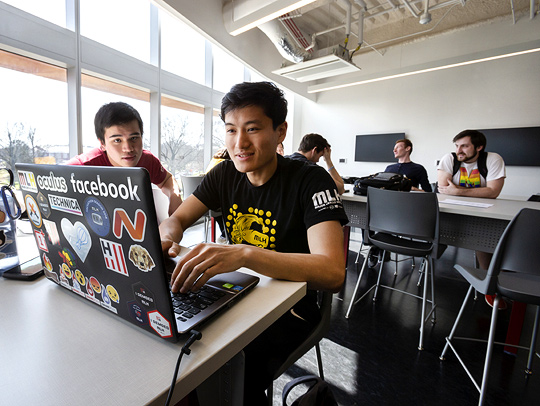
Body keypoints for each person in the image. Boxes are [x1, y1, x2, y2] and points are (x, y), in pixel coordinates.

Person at [159, 81, 348, 405]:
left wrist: (245, 254)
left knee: (227, 369)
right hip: (236, 292)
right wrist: (166, 237)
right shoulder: (224, 175)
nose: (239, 143)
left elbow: (332, 272)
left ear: (280, 131)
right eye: (231, 130)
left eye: (252, 129)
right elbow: (177, 219)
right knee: (178, 352)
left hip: (293, 308)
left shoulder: (308, 179)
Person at [67, 102, 182, 216]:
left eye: (134, 138)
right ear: (102, 143)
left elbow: (167, 179)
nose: (128, 148)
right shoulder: (81, 166)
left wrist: (175, 195)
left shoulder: (147, 160)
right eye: (117, 140)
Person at [437, 129, 506, 308]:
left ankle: (488, 283)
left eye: (465, 146)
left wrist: (459, 191)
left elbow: (493, 192)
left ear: (479, 147)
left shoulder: (492, 159)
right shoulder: (449, 159)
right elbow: (443, 189)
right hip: (450, 210)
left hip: (482, 212)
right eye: (457, 146)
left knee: (485, 233)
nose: (459, 150)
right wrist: (476, 193)